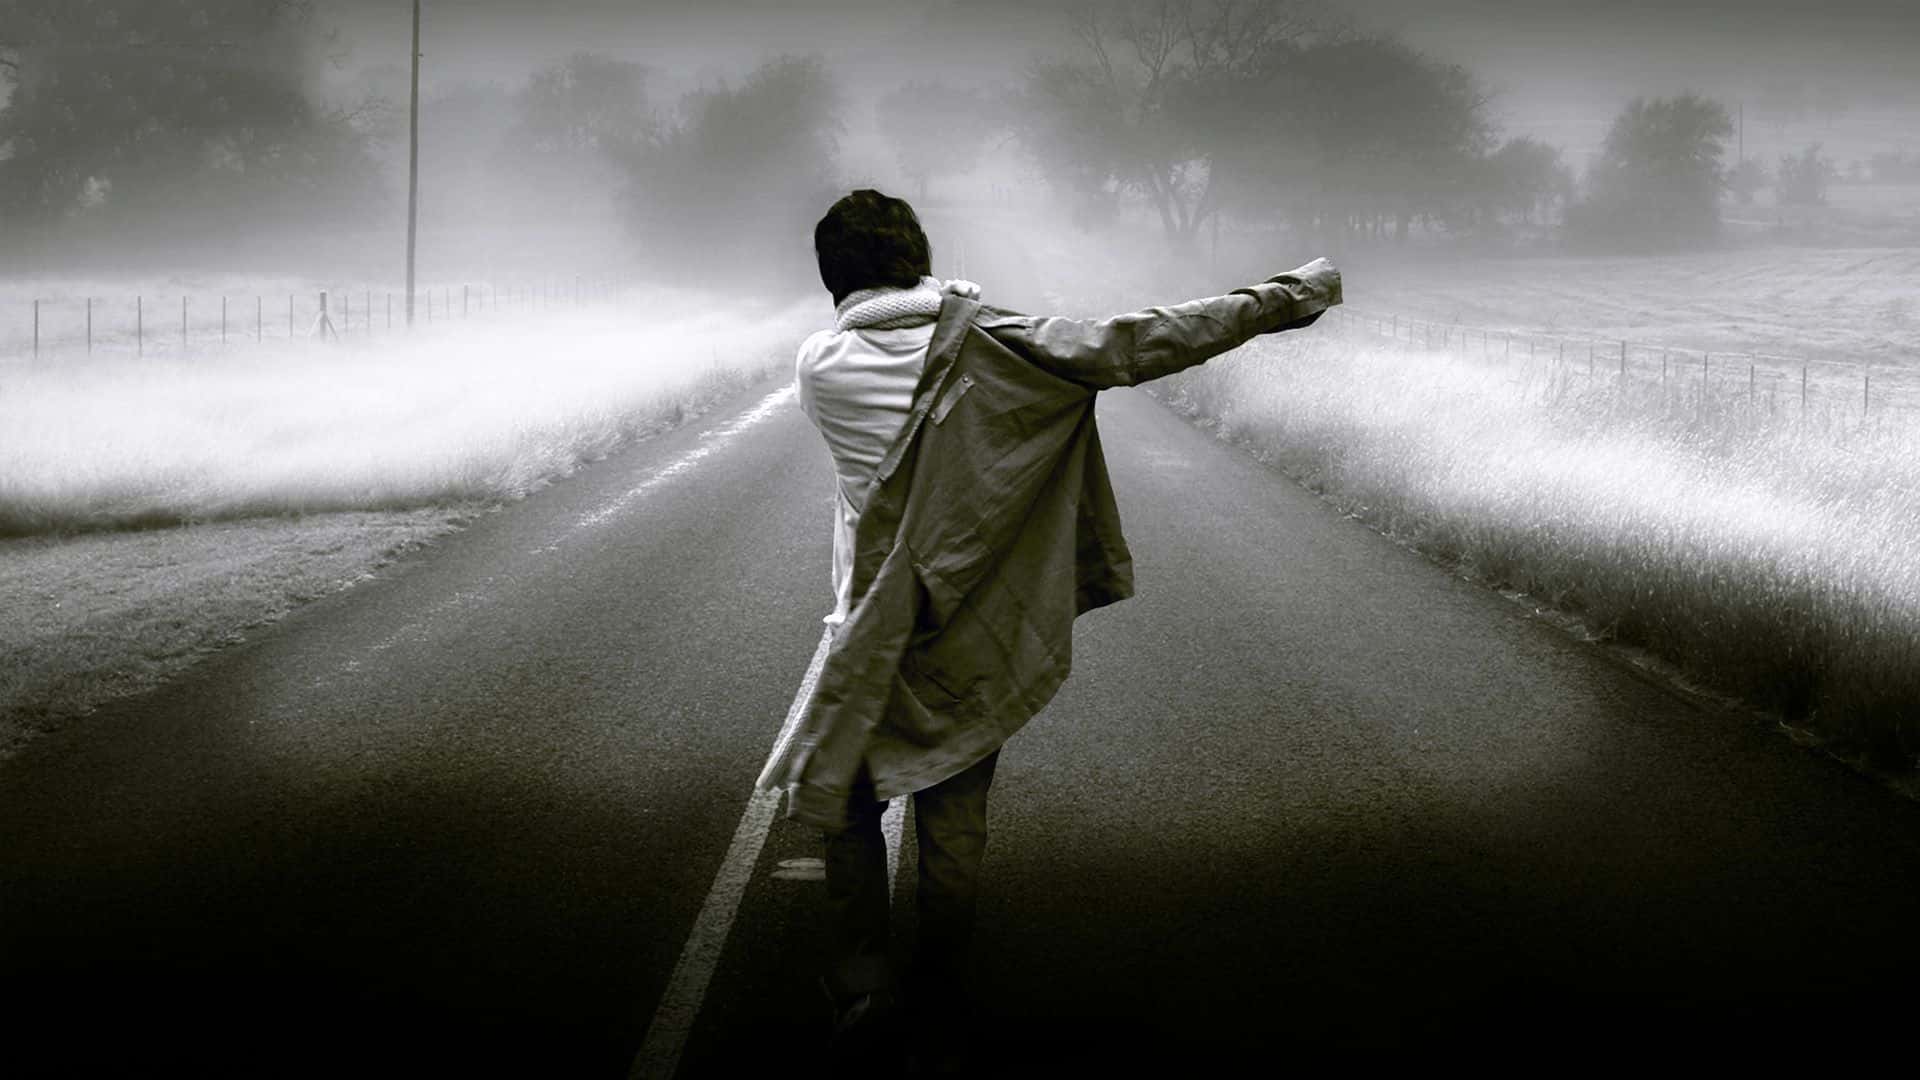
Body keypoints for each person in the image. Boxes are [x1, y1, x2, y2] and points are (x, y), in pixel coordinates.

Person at [760, 188, 1340, 1071]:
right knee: (954, 815)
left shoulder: (819, 366)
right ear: (919, 260)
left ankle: (863, 986)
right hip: (971, 627)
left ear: (832, 278)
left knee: (848, 808)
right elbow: (1140, 340)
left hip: (869, 626)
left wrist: (952, 306)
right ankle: (941, 991)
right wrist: (1283, 299)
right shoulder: (1001, 344)